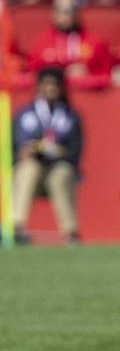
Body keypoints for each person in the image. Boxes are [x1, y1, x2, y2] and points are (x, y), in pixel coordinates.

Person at [12, 67, 83, 245]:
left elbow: (75, 152)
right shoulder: (25, 115)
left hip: (57, 169)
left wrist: (58, 151)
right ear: (39, 87)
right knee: (29, 169)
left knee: (62, 173)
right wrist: (27, 150)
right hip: (32, 173)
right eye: (47, 84)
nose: (51, 89)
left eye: (55, 84)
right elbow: (15, 148)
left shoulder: (70, 116)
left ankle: (70, 232)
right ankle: (17, 227)